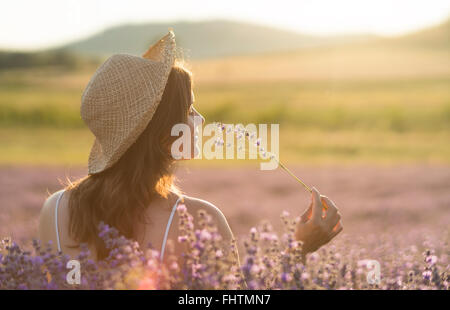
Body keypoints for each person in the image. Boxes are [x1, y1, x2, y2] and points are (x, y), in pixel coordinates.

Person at [38, 30, 342, 270]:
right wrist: (300, 249)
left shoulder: (54, 210)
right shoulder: (198, 221)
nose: (201, 119)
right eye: (190, 109)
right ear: (161, 132)